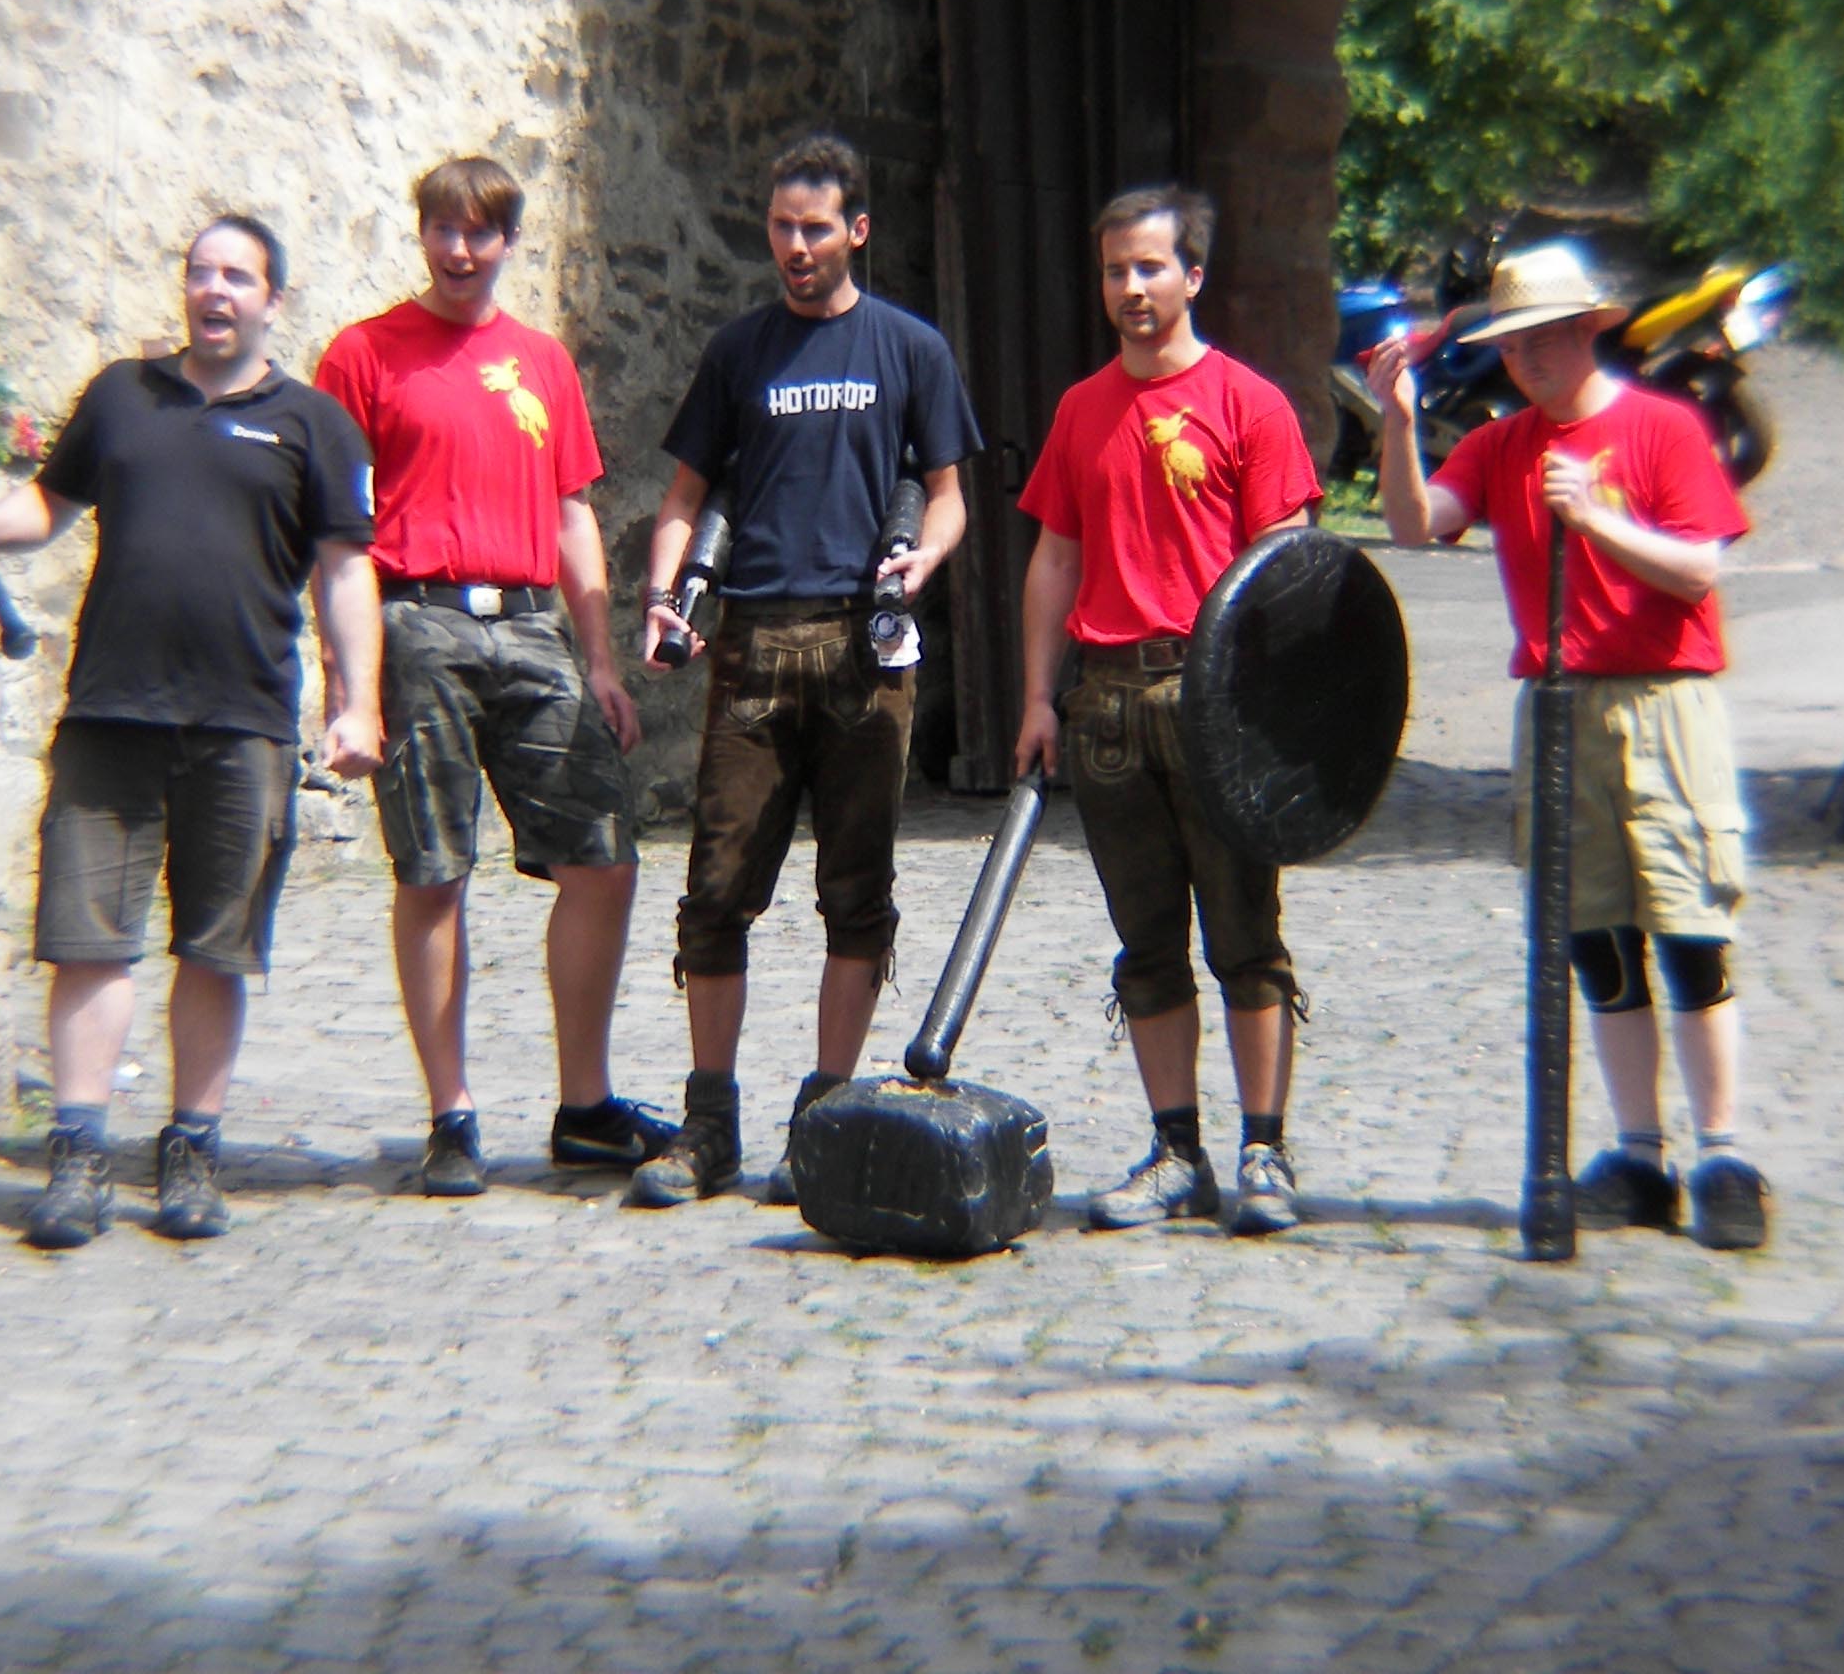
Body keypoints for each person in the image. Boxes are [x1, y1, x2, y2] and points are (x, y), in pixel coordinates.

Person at [0, 215, 381, 1249]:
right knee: (87, 942)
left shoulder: (314, 424)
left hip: (242, 721)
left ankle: (192, 1152)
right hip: (112, 711)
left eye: (238, 277)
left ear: (273, 300)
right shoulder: (119, 396)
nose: (215, 290)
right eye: (200, 273)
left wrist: (357, 701)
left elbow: (345, 569)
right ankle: (78, 1156)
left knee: (216, 948)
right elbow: (47, 506)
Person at [1369, 241, 1770, 1250]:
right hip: (1555, 711)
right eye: (1512, 345)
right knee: (1598, 941)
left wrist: (1593, 518)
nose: (1528, 360)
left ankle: (1722, 1155)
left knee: (1689, 931)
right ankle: (1640, 1155)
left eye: (1545, 337)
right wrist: (1400, 423)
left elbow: (1699, 569)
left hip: (1662, 701)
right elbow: (1416, 526)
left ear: (1589, 330)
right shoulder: (1500, 445)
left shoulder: (1663, 427)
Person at [626, 132, 982, 1208]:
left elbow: (949, 494)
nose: (795, 246)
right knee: (713, 893)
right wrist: (663, 596)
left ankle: (822, 1122)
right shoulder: (740, 351)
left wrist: (926, 558)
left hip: (864, 652)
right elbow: (685, 497)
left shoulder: (910, 349)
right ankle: (708, 1125)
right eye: (782, 227)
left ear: (856, 231)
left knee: (856, 894)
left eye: (815, 228)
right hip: (752, 646)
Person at [312, 157, 670, 1197]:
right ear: (423, 235)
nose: (461, 251)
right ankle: (451, 1116)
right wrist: (350, 685)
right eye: (444, 230)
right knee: (434, 870)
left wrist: (599, 659)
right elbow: (337, 536)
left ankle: (585, 1109)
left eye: (481, 233)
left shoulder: (542, 362)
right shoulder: (363, 356)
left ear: (510, 242)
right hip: (416, 622)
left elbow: (572, 516)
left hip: (529, 625)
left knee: (603, 858)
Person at [1012, 186, 1323, 1237]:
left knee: (1245, 935)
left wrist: (1272, 716)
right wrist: (1037, 698)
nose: (1131, 288)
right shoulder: (1082, 410)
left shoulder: (1250, 405)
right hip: (1107, 701)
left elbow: (1288, 571)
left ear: (1193, 275)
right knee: (1145, 943)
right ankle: (1176, 1151)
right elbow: (1055, 559)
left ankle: (1264, 1151)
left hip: (1214, 697)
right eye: (1116, 270)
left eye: (1150, 267)